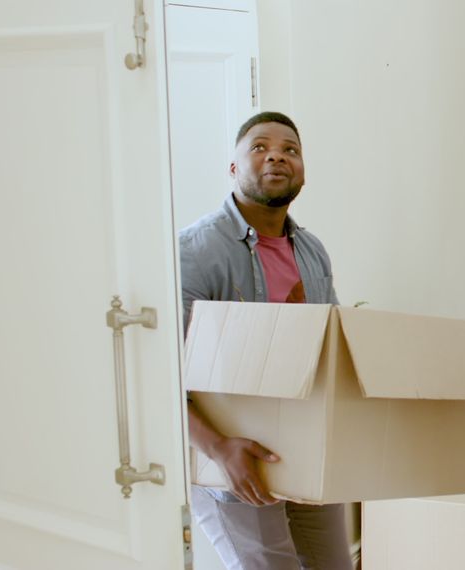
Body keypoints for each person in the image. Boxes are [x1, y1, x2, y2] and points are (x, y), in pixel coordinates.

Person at [180, 111, 356, 569]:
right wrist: (219, 449)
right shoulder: (195, 253)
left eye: (290, 149)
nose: (276, 154)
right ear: (233, 168)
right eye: (259, 146)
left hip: (304, 445)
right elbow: (160, 376)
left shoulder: (312, 251)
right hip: (232, 456)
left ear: (302, 172)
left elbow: (329, 348)